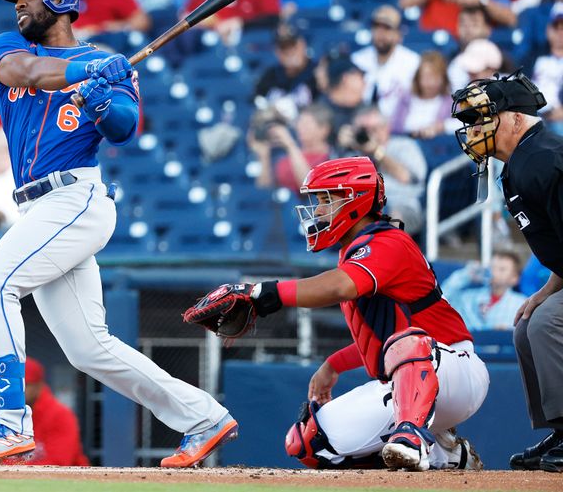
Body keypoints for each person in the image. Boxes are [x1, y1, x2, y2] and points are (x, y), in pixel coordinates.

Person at [0, 0, 236, 468]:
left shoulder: (108, 65)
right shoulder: (9, 48)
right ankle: (204, 417)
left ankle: (11, 421)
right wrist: (88, 71)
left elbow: (125, 130)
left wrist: (104, 101)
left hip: (75, 199)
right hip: (37, 208)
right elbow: (29, 73)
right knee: (89, 350)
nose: (19, 2)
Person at [197, 156, 489, 470]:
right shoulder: (357, 250)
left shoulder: (388, 241)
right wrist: (333, 364)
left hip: (457, 371)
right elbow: (381, 339)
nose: (318, 210)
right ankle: (448, 457)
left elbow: (340, 288)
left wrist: (262, 293)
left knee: (407, 345)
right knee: (309, 443)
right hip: (417, 375)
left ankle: (412, 436)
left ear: (356, 201)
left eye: (326, 199)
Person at [450, 70, 563, 472]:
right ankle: (559, 428)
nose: (475, 130)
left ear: (515, 118)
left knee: (547, 322)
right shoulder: (526, 158)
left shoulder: (545, 158)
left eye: (483, 119)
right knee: (529, 320)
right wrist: (545, 290)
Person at [0, 358, 89, 466]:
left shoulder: (60, 415)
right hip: (11, 479)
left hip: (66, 481)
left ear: (39, 385)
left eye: (24, 385)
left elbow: (58, 463)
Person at [337, 106, 427, 235]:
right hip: (361, 206)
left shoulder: (404, 145)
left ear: (386, 128)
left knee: (395, 217)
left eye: (374, 129)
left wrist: (377, 151)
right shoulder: (352, 151)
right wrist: (342, 147)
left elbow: (406, 177)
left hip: (400, 203)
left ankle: (388, 251)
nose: (369, 134)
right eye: (364, 130)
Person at [351, 5, 420, 122]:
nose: (380, 33)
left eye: (387, 28)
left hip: (400, 128)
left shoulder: (413, 63)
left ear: (399, 34)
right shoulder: (357, 60)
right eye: (376, 27)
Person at [248, 103, 334, 193]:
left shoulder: (330, 158)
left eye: (306, 124)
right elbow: (264, 189)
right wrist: (264, 157)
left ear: (324, 129)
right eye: (299, 123)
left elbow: (307, 186)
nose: (300, 128)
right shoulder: (282, 152)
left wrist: (290, 145)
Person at [441, 249, 527, 331]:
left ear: (514, 278)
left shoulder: (521, 304)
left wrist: (507, 332)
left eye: (502, 269)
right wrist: (466, 274)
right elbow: (442, 299)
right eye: (492, 267)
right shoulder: (469, 297)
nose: (494, 272)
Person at [253, 25, 316, 114]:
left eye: (293, 46)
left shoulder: (317, 73)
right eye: (284, 48)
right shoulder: (270, 76)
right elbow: (255, 101)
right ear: (277, 52)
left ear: (303, 45)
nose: (289, 52)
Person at [391, 51, 454, 138]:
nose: (430, 83)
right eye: (426, 77)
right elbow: (394, 127)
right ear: (418, 78)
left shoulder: (450, 103)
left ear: (443, 79)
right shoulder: (406, 99)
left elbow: (463, 125)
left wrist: (442, 126)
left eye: (435, 77)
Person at [531, 3, 563, 132]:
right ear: (548, 29)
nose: (561, 32)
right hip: (533, 117)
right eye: (557, 27)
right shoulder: (532, 57)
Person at [447, 6, 494, 91]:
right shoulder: (448, 60)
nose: (468, 29)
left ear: (488, 29)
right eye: (463, 24)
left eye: (474, 24)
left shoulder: (501, 62)